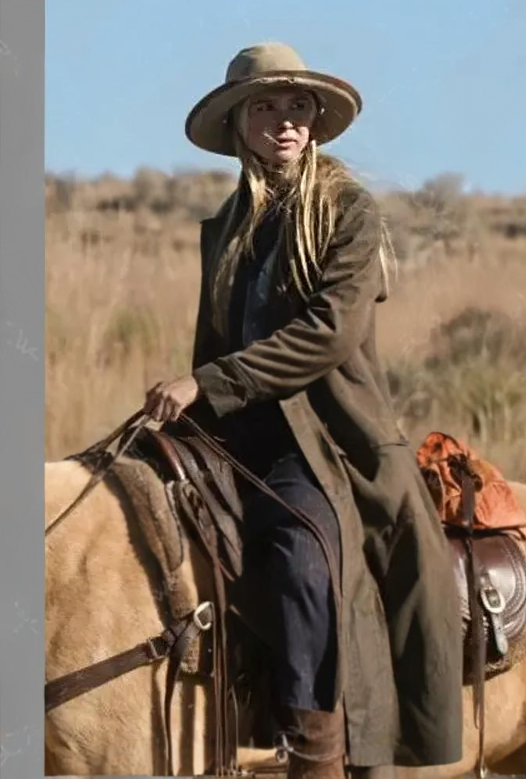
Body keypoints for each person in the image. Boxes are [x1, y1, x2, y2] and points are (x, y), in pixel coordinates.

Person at [143, 43, 463, 779]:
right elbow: (214, 339)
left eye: (297, 107)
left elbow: (327, 335)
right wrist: (186, 413)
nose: (284, 122)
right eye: (265, 107)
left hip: (322, 440)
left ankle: (316, 754)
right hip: (237, 429)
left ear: (314, 122)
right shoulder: (223, 227)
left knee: (299, 556)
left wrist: (207, 383)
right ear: (239, 125)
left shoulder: (347, 210)